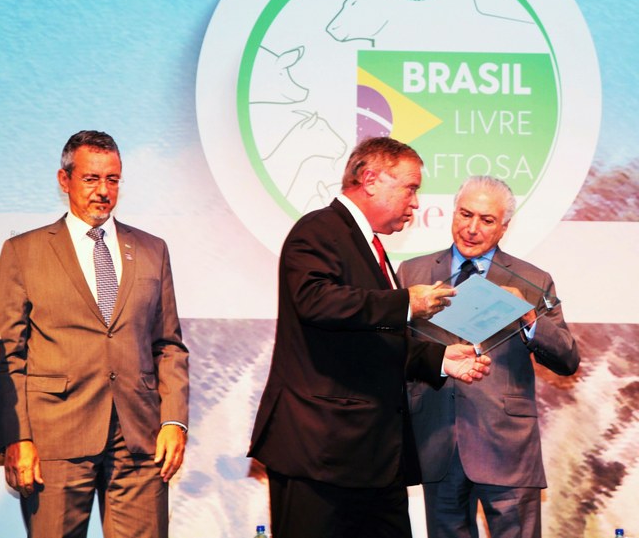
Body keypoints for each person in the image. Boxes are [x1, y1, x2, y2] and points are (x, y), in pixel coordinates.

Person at [248, 136, 492, 538]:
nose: (416, 202)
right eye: (410, 188)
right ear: (371, 179)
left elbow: (372, 339)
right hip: (321, 452)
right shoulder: (317, 230)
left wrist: (439, 359)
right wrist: (406, 302)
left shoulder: (369, 245)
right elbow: (315, 301)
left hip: (373, 458)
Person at [0, 130, 189, 538]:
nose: (103, 191)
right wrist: (17, 437)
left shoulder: (152, 249)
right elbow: (11, 352)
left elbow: (168, 344)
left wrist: (174, 420)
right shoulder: (23, 252)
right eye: (91, 179)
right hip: (55, 436)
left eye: (112, 180)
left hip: (140, 437)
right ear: (64, 180)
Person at [397, 176, 580, 538]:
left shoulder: (532, 279)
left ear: (504, 227)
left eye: (487, 220)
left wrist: (529, 316)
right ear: (453, 212)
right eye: (465, 214)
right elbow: (395, 352)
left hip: (507, 445)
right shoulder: (413, 273)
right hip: (437, 441)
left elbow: (567, 358)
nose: (472, 228)